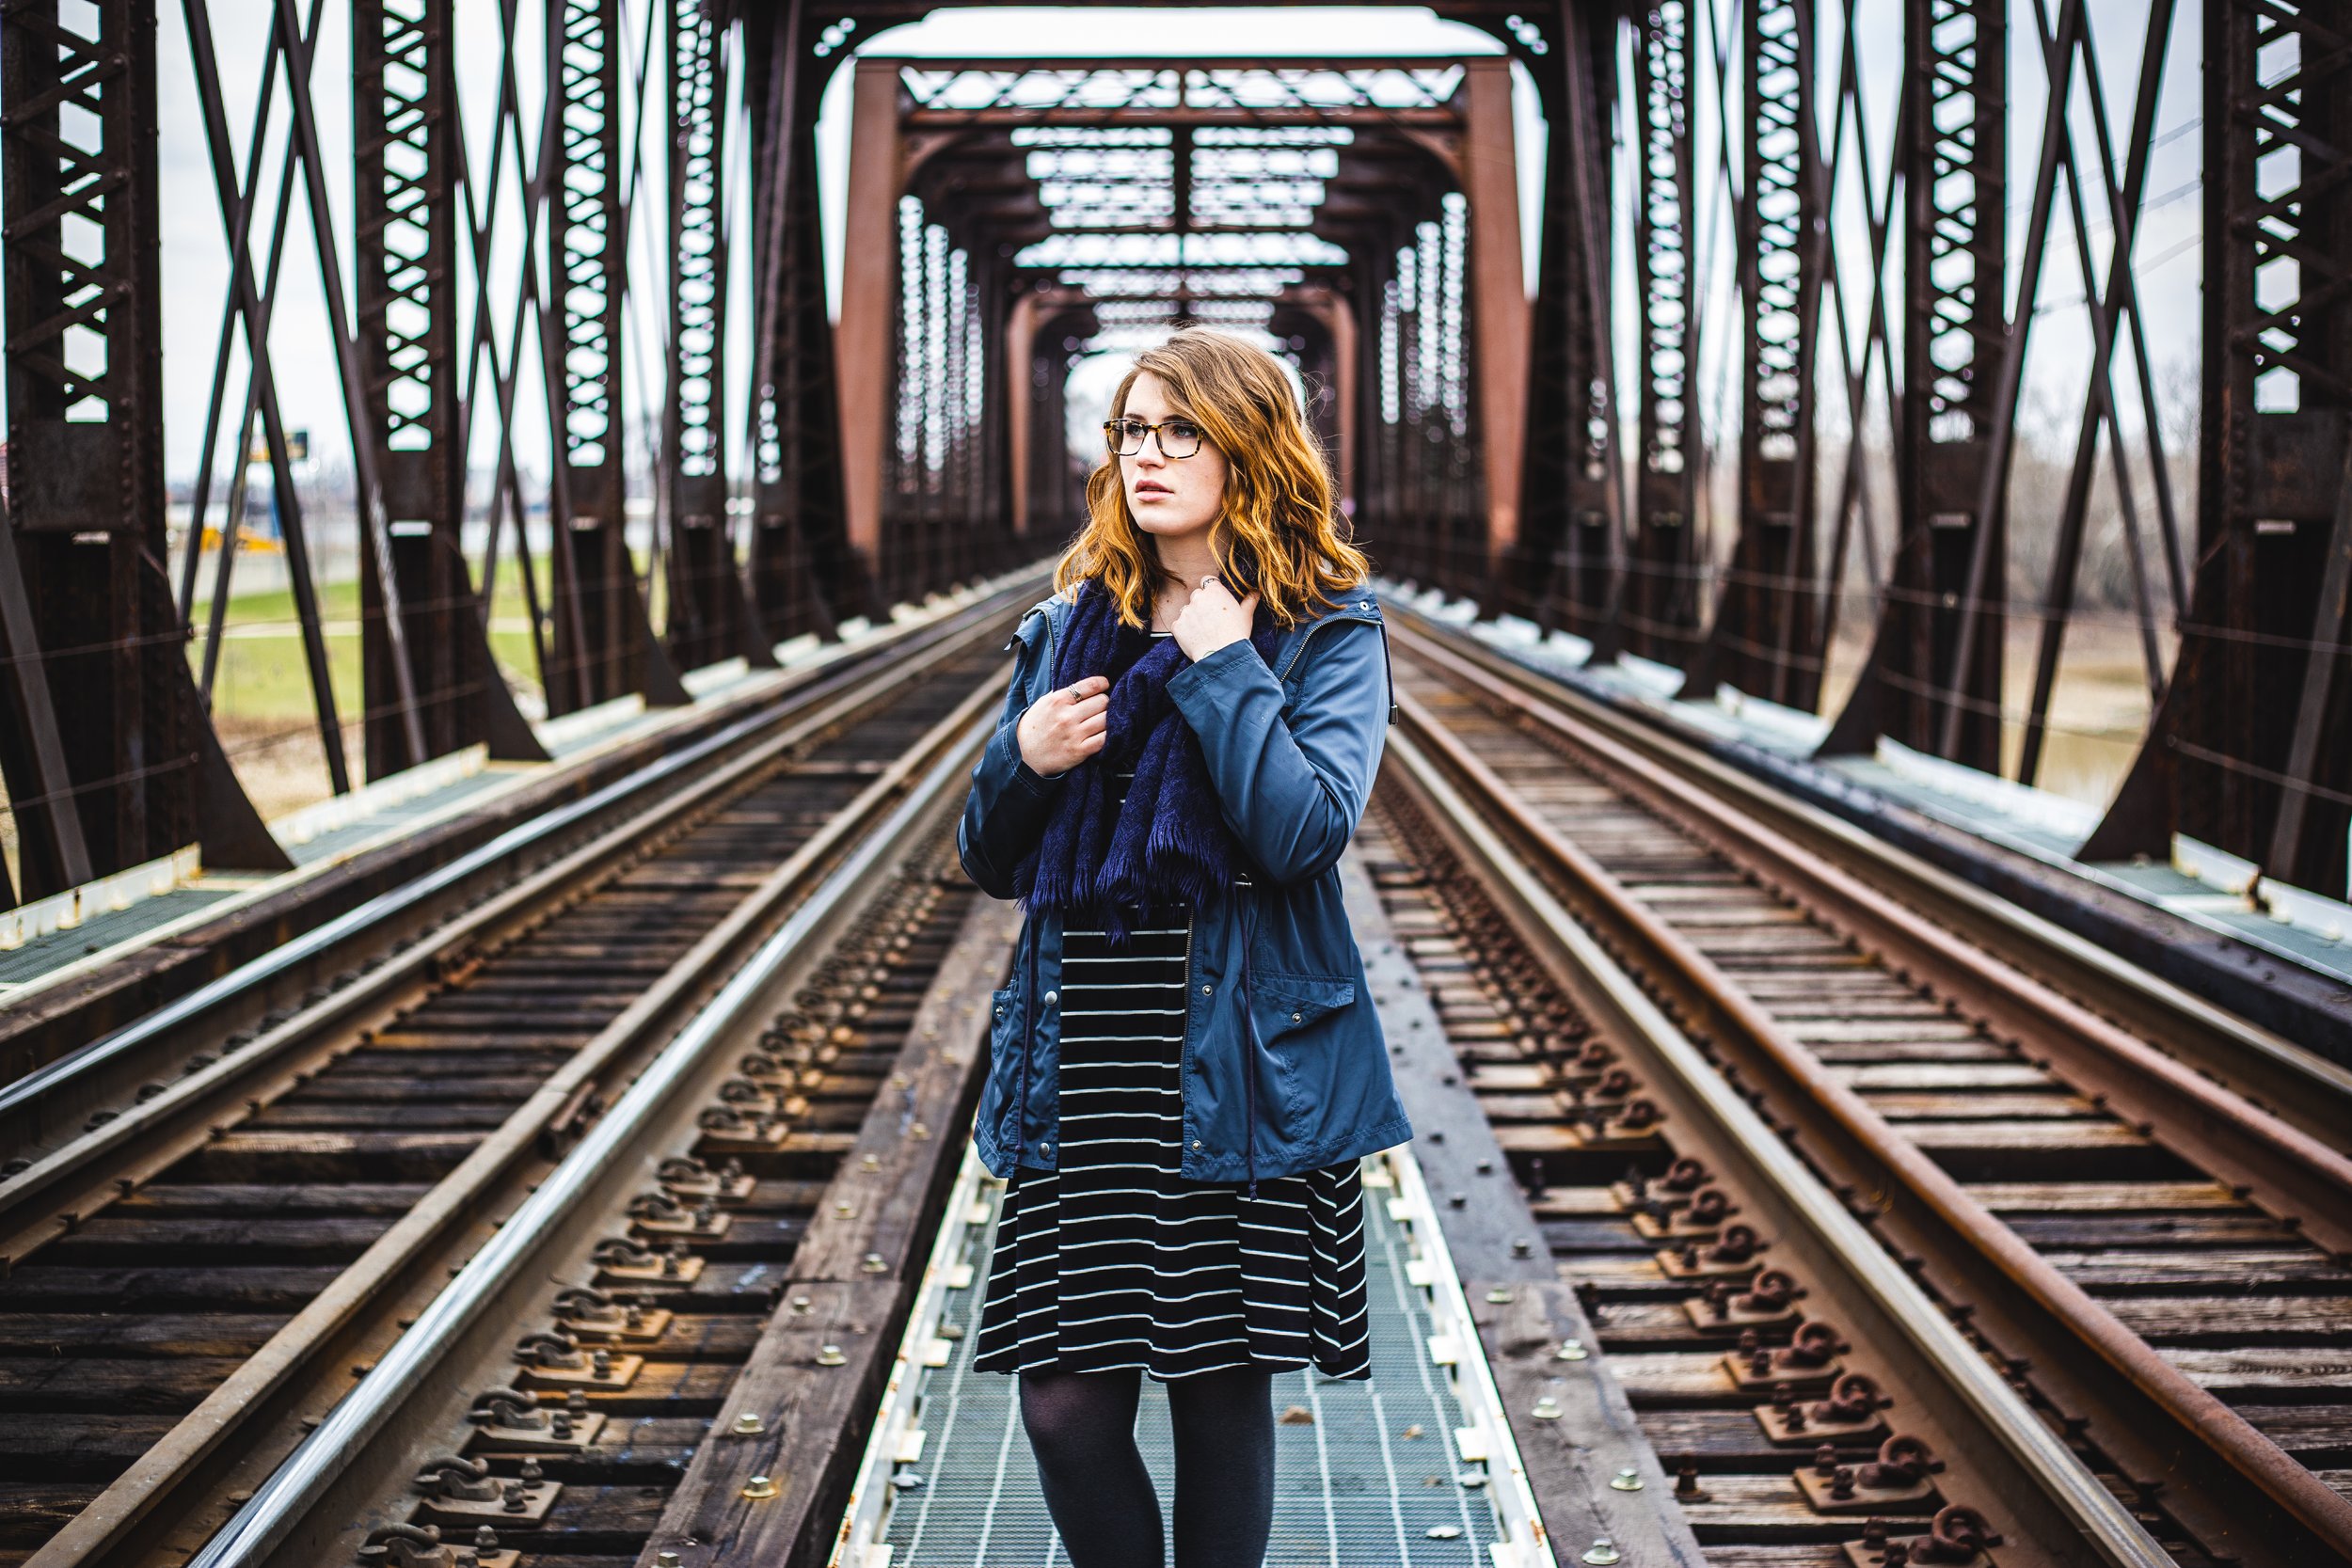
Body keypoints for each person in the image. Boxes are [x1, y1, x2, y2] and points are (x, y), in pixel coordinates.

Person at [956, 326, 1414, 1566]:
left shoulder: (1325, 632)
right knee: (1061, 1403)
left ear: (1245, 449)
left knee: (1218, 1396)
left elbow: (1303, 831)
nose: (1148, 457)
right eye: (1131, 433)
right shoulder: (1068, 629)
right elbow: (989, 861)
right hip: (1087, 1065)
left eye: (1180, 432)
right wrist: (1022, 760)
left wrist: (1222, 669)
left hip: (1237, 1061)